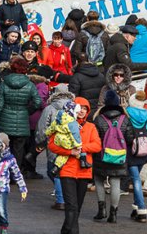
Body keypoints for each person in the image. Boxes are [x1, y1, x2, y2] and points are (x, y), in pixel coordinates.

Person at [48, 96, 101, 234]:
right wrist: (70, 151)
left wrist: (82, 148)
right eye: (80, 108)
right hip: (67, 170)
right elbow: (52, 145)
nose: (82, 111)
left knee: (77, 207)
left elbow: (97, 146)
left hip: (84, 171)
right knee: (71, 206)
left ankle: (65, 230)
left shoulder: (91, 127)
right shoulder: (62, 124)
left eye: (85, 109)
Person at [93, 90, 134, 223]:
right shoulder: (125, 119)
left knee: (99, 180)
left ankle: (101, 210)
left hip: (101, 155)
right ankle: (113, 214)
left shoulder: (99, 118)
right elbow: (129, 138)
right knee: (115, 183)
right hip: (119, 156)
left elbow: (96, 139)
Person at [0, 57, 41, 170]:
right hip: (22, 121)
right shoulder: (30, 85)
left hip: (5, 120)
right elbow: (38, 102)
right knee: (18, 151)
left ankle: (4, 173)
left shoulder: (4, 84)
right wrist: (27, 111)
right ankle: (15, 174)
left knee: (4, 149)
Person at [35, 84, 75, 210]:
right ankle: (67, 195)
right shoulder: (74, 107)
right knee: (65, 170)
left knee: (53, 170)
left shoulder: (50, 108)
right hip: (70, 143)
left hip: (54, 143)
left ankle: (61, 200)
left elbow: (42, 127)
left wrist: (40, 140)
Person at [0, 132, 27, 234]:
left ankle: (4, 228)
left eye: (2, 144)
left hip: (3, 188)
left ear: (6, 145)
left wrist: (22, 189)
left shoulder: (10, 159)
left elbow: (17, 174)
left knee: (1, 210)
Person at [126, 91, 147, 223]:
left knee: (136, 180)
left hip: (131, 152)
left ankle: (142, 210)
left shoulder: (127, 115)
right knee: (136, 178)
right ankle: (137, 208)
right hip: (144, 152)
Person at [45, 101, 92, 176]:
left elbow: (52, 127)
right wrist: (78, 145)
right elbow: (75, 135)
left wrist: (47, 133)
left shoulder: (59, 118)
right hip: (66, 140)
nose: (77, 115)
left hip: (58, 139)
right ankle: (83, 161)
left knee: (63, 155)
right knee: (79, 150)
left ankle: (56, 167)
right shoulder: (72, 122)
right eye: (76, 113)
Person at [68, 53, 106, 120]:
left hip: (83, 112)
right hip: (99, 111)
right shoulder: (101, 75)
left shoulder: (76, 77)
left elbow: (73, 97)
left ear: (76, 62)